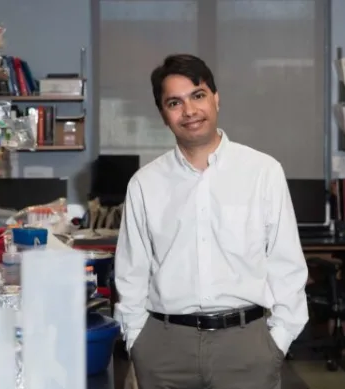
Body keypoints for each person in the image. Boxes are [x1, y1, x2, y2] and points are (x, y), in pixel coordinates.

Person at [114, 54, 309, 389]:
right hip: (163, 350)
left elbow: (286, 263)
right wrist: (137, 340)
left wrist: (278, 340)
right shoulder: (145, 183)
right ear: (163, 114)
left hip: (247, 348)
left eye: (198, 95)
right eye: (174, 102)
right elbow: (131, 271)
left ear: (216, 98)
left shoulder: (263, 171)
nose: (189, 111)